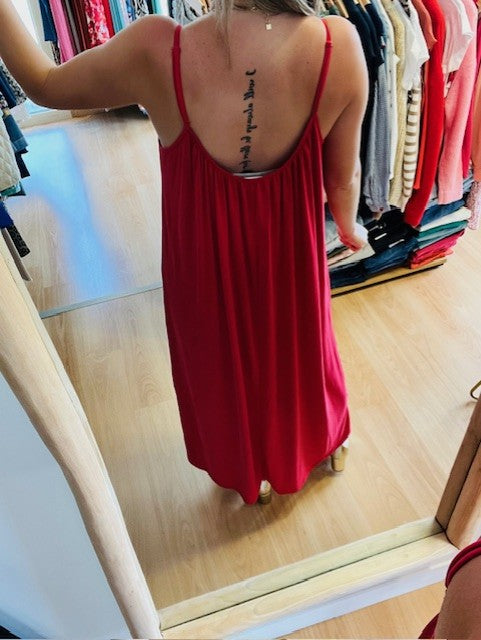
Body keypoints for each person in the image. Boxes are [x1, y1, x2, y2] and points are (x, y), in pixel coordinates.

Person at [0, 0, 368, 504]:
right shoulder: (337, 45)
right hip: (290, 257)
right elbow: (343, 178)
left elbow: (45, 84)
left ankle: (248, 471)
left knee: (219, 366)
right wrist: (348, 227)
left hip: (202, 262)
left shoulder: (158, 49)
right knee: (301, 353)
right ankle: (320, 443)